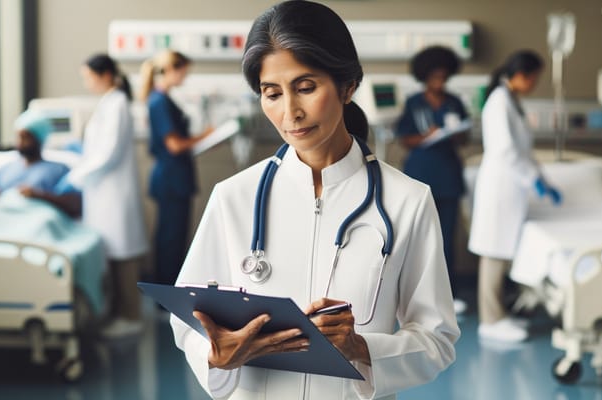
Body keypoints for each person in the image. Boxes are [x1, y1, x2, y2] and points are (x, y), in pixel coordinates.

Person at [170, 2, 459, 399]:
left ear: (347, 86)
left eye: (306, 88)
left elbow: (437, 340)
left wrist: (361, 347)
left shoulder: (407, 202)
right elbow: (189, 324)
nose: (290, 112)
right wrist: (216, 355)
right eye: (272, 93)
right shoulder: (233, 198)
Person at [468, 50, 561, 343]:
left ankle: (499, 316)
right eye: (534, 77)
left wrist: (541, 179)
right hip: (500, 187)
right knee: (493, 253)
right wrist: (534, 180)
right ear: (521, 75)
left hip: (509, 188)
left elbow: (523, 151)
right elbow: (506, 151)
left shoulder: (511, 101)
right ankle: (491, 320)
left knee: (500, 252)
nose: (535, 83)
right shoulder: (498, 102)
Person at [65, 53, 148, 338]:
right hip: (104, 193)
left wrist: (77, 175)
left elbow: (108, 154)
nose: (86, 83)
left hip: (114, 194)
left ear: (104, 74)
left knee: (123, 257)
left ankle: (131, 316)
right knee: (113, 256)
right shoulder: (110, 102)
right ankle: (119, 313)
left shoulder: (118, 104)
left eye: (88, 76)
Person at [394, 45, 470, 315]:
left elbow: (464, 137)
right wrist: (429, 135)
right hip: (421, 172)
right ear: (424, 76)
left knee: (446, 239)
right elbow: (405, 138)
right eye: (434, 76)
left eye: (443, 76)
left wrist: (452, 133)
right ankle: (414, 296)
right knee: (417, 237)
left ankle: (448, 295)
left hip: (447, 174)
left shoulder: (454, 102)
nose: (439, 81)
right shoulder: (414, 103)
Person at [137, 50, 214, 287]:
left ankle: (167, 287)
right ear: (170, 70)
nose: (185, 77)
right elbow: (174, 145)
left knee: (173, 236)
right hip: (172, 179)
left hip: (174, 177)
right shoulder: (159, 101)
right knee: (171, 239)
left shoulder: (163, 99)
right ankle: (167, 292)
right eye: (183, 72)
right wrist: (205, 136)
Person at [0, 109, 81, 217]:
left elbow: (75, 205)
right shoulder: (5, 169)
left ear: (39, 139)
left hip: (36, 220)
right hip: (1, 217)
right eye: (18, 137)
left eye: (26, 138)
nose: (20, 143)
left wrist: (39, 196)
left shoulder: (59, 169)